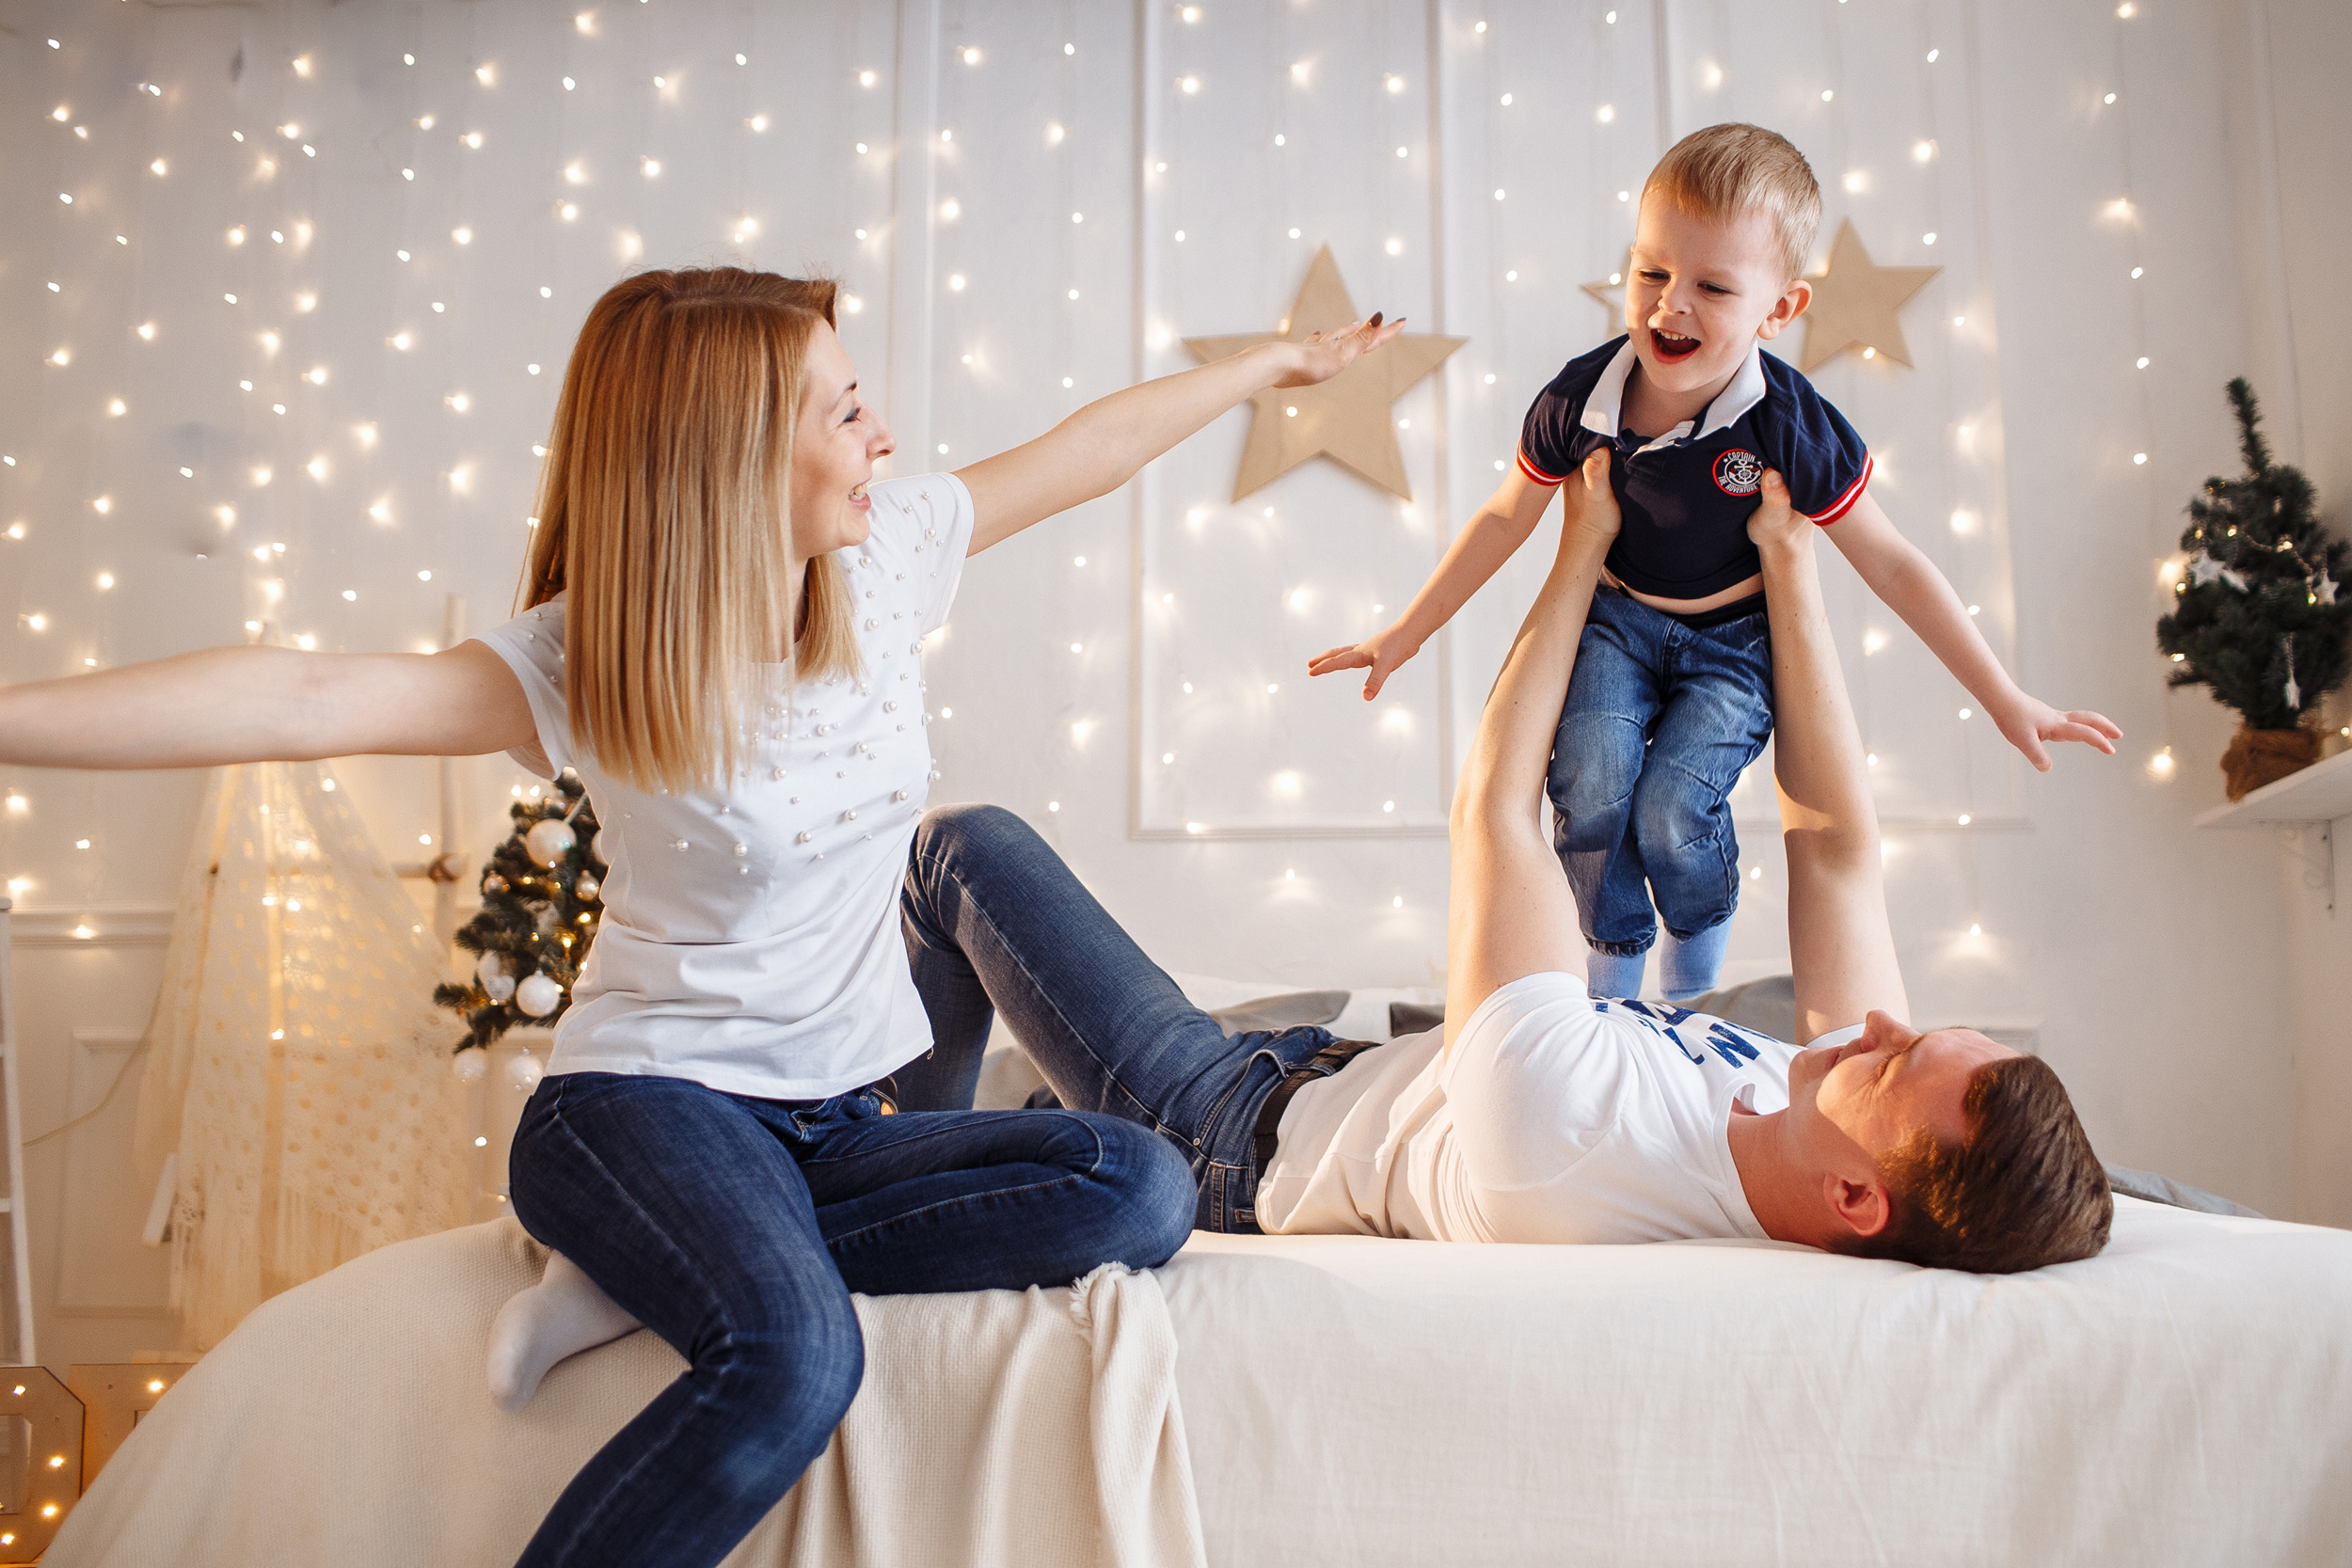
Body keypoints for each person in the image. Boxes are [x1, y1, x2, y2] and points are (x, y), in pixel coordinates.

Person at [0, 266, 1403, 1568]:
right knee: (794, 1355)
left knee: (1139, 1183)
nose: (883, 436)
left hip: (834, 1122)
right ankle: (671, 1243)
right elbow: (299, 695)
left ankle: (652, 1265)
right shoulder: (591, 654)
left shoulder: (886, 564)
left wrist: (1269, 366)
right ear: (731, 455)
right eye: (845, 412)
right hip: (643, 1108)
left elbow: (1085, 451)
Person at [882, 452, 2113, 1270]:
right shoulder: (1820, 1114)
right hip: (1336, 1071)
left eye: (1891, 1057)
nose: (1876, 1024)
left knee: (959, 850)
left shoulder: (1579, 1139)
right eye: (1912, 1028)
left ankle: (869, 1181)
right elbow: (1837, 849)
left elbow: (1496, 811)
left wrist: (1581, 547)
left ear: (1857, 1201)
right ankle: (1001, 1134)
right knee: (1031, 1095)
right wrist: (1788, 563)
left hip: (1231, 1126)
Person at [1308, 122, 2120, 1004]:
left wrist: (2004, 697)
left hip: (1734, 642)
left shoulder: (1788, 423)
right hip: (1619, 619)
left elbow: (1892, 564)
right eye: (1651, 272)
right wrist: (1407, 632)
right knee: (1590, 777)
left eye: (1713, 286)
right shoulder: (1581, 399)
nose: (1672, 305)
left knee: (1670, 808)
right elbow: (1506, 517)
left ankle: (1693, 959)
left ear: (1780, 310)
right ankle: (1613, 966)